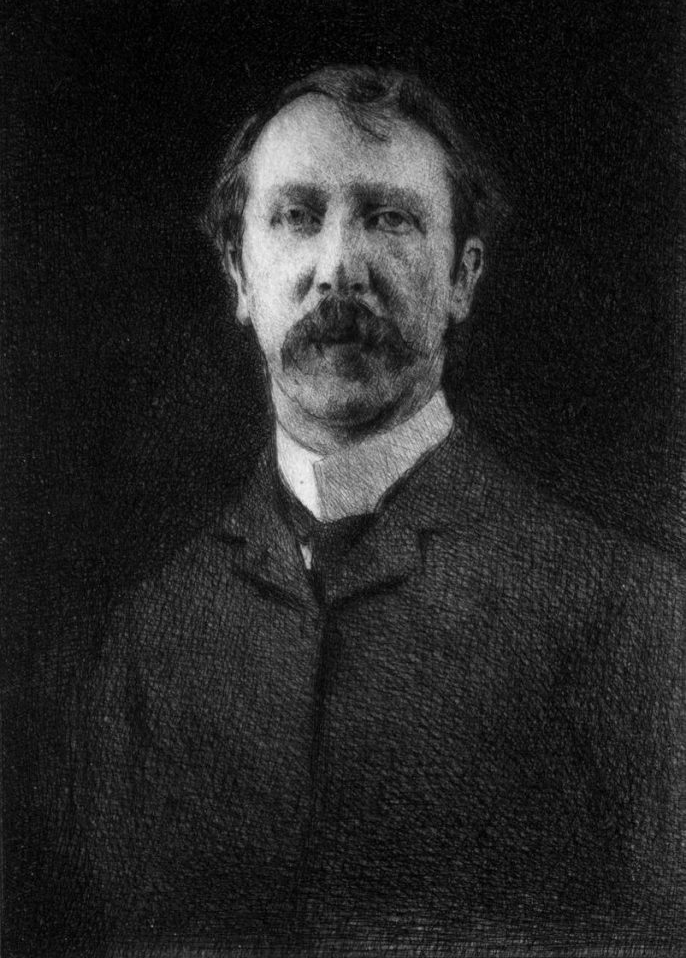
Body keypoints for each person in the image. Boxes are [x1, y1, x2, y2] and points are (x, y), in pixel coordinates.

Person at [47, 66, 683, 955]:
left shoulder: (629, 613)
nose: (338, 269)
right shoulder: (150, 639)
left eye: (389, 218)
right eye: (296, 217)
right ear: (239, 273)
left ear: (462, 277)